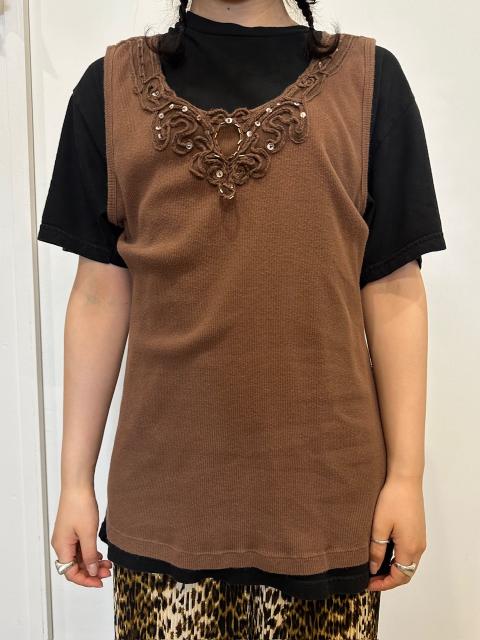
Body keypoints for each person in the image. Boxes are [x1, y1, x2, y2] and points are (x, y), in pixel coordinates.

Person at [38, 2, 447, 638]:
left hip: (326, 505)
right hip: (165, 507)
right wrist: (74, 482)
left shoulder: (370, 83)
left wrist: (406, 477)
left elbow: (394, 287)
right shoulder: (109, 90)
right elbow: (97, 294)